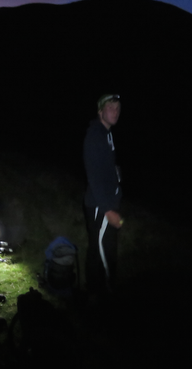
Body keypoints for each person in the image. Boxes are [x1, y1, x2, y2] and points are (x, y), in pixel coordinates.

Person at [83, 94, 123, 299]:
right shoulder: (95, 136)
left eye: (117, 108)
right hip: (101, 206)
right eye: (110, 108)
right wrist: (108, 209)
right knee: (103, 252)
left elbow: (104, 168)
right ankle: (106, 294)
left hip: (107, 202)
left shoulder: (107, 134)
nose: (115, 112)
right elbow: (94, 176)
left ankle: (96, 292)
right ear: (100, 111)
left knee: (100, 249)